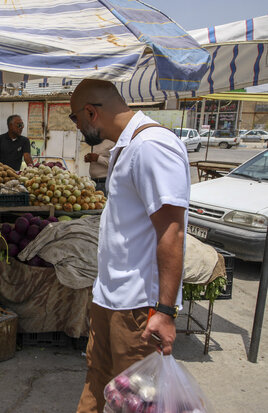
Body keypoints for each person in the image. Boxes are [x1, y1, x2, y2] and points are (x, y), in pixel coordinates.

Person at [72, 80, 190, 413]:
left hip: (139, 307)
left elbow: (171, 231)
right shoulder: (128, 146)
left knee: (135, 400)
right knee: (99, 380)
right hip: (111, 297)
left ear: (92, 112)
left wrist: (165, 312)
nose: (78, 127)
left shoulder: (152, 146)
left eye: (75, 119)